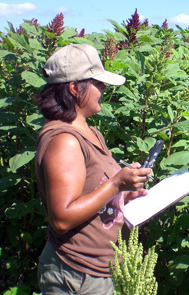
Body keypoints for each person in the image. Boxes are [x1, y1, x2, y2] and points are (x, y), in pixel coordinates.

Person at [34, 44, 153, 294]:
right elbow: (62, 218)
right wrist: (116, 184)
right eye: (97, 83)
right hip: (76, 275)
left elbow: (92, 190)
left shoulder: (90, 132)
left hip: (97, 271)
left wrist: (124, 194)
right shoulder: (64, 141)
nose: (104, 89)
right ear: (75, 88)